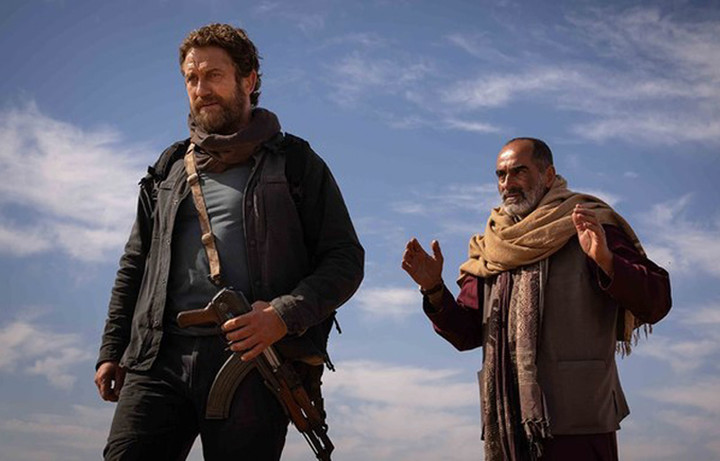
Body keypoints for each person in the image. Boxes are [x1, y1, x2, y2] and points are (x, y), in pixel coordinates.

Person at [94, 23, 364, 460]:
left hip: (253, 360)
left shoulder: (296, 162)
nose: (201, 89)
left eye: (214, 75)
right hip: (157, 358)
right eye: (192, 78)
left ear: (249, 80)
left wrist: (281, 315)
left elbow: (345, 260)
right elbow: (135, 264)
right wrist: (111, 349)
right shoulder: (168, 169)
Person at [401, 137, 671, 461]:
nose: (508, 183)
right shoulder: (492, 246)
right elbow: (467, 332)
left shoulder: (587, 224)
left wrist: (607, 261)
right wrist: (433, 288)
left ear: (548, 175)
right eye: (501, 175)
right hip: (508, 425)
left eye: (519, 172)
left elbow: (657, 299)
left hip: (580, 425)